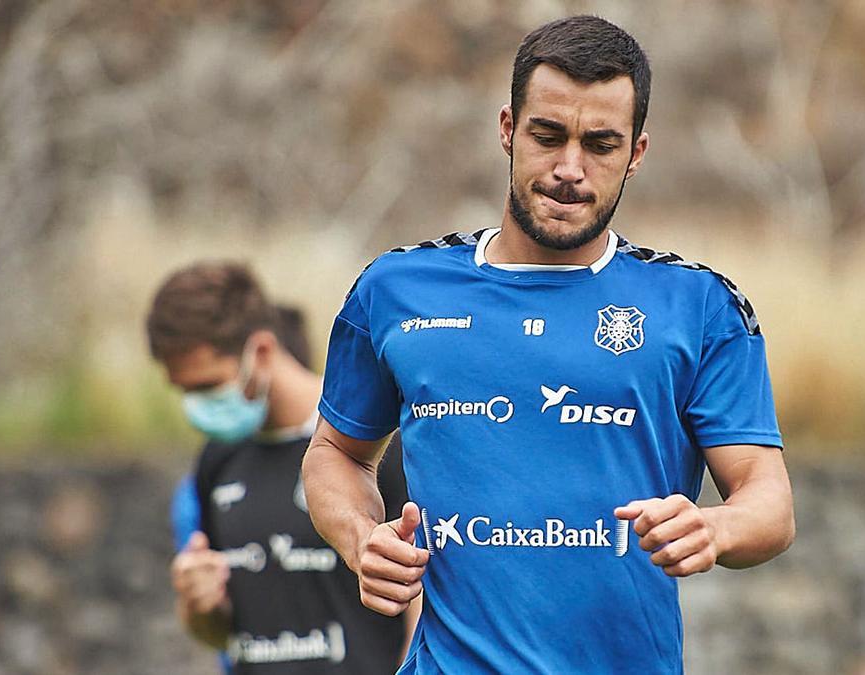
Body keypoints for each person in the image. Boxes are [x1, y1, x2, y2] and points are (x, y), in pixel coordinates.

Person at [301, 15, 795, 674]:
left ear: (637, 153)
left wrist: (716, 527)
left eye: (600, 144)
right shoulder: (395, 290)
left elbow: (769, 500)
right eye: (548, 135)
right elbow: (336, 453)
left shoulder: (700, 306)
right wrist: (362, 538)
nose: (570, 168)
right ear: (507, 129)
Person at [146, 261, 419, 674]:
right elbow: (222, 632)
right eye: (185, 392)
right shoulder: (217, 460)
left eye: (207, 387)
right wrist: (200, 605)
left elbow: (424, 601)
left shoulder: (375, 444)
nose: (199, 408)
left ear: (260, 351)